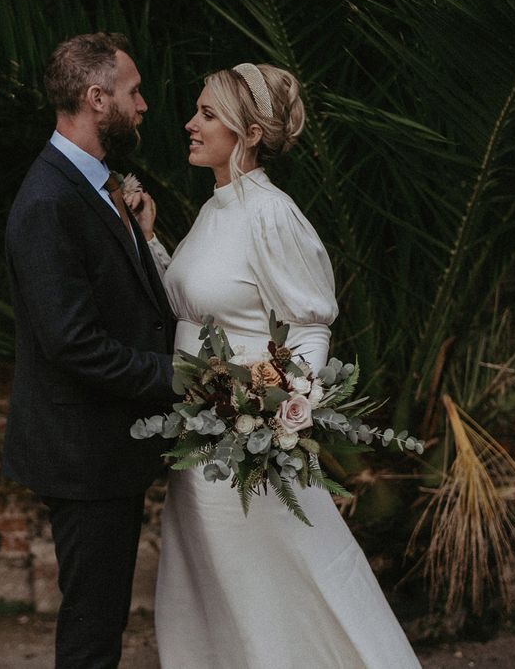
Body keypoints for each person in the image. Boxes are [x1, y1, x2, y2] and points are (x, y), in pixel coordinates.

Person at [149, 64, 422, 668]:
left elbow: (309, 322)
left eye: (207, 115)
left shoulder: (271, 212)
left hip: (250, 448)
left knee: (276, 586)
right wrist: (149, 242)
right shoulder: (216, 207)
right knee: (212, 592)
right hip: (201, 444)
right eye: (197, 110)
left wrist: (276, 409)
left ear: (247, 133)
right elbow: (192, 306)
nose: (190, 124)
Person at [2, 32, 176, 668]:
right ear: (98, 99)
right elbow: (74, 344)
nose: (145, 105)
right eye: (134, 93)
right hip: (83, 455)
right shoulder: (48, 201)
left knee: (101, 619)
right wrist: (177, 375)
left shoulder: (96, 187)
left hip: (106, 450)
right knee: (92, 632)